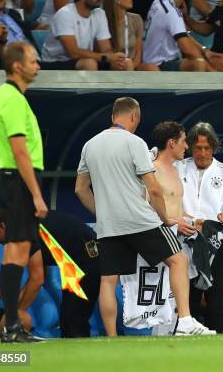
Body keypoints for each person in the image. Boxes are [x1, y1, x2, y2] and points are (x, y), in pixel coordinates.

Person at [75, 96, 215, 336]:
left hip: (110, 226)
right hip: (140, 220)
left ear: (112, 116)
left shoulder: (90, 144)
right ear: (134, 117)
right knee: (179, 260)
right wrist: (166, 219)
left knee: (108, 281)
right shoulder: (135, 142)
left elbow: (80, 189)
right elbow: (153, 188)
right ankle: (185, 322)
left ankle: (111, 337)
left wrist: (103, 213)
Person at [0, 41, 46, 343]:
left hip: (17, 180)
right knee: (16, 251)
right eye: (33, 61)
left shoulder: (13, 97)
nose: (37, 65)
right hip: (19, 181)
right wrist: (36, 194)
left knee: (17, 251)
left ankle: (12, 326)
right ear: (17, 66)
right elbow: (19, 151)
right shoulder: (11, 98)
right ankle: (11, 326)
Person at [0, 207, 101, 337]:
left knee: (73, 321)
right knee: (71, 321)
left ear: (1, 226)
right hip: (79, 259)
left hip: (86, 258)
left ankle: (82, 354)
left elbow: (37, 280)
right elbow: (39, 274)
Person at [176, 122, 223, 333]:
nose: (203, 153)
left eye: (207, 148)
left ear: (214, 148)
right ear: (190, 147)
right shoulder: (177, 168)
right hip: (184, 246)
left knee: (222, 309)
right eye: (198, 148)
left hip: (217, 246)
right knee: (188, 307)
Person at [40, 0, 127, 71]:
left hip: (82, 60)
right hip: (54, 63)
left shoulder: (99, 13)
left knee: (125, 63)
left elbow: (106, 49)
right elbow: (73, 53)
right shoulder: (64, 14)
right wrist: (106, 58)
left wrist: (114, 59)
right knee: (89, 64)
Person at [142, 0, 209, 71]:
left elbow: (184, 35)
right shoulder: (171, 11)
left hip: (155, 61)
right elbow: (188, 49)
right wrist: (212, 69)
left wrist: (205, 51)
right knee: (198, 63)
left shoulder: (160, 1)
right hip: (160, 64)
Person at [103, 0, 145, 70]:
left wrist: (131, 67)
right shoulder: (104, 21)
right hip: (113, 66)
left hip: (133, 65)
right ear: (117, 0)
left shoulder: (136, 19)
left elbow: (138, 53)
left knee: (151, 68)